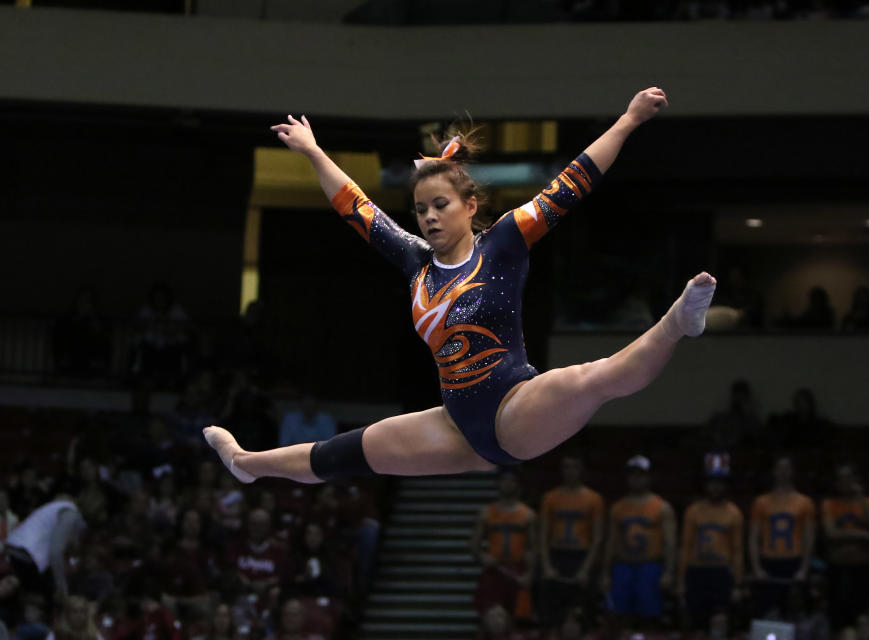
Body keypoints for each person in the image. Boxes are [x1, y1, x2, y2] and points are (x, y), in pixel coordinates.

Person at [204, 86, 718, 486]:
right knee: (344, 453)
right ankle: (247, 463)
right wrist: (314, 152)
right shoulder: (415, 262)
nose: (428, 217)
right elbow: (356, 207)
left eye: (441, 205)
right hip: (457, 428)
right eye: (421, 209)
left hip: (516, 410)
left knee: (589, 379)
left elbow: (573, 182)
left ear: (470, 206)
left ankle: (677, 322)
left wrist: (627, 121)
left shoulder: (506, 241)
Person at [601, 454, 677, 629]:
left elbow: (670, 543)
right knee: (618, 615)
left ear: (649, 477)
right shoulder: (618, 507)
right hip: (622, 566)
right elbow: (611, 541)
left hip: (649, 567)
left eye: (641, 474)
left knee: (649, 615)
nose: (636, 479)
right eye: (632, 474)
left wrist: (669, 572)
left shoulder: (662, 507)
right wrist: (605, 572)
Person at [678, 454, 743, 631]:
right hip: (696, 572)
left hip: (721, 573)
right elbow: (686, 546)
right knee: (696, 622)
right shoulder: (693, 511)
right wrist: (682, 579)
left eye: (719, 482)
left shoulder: (734, 513)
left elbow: (737, 550)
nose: (715, 486)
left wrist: (737, 584)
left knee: (720, 621)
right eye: (712, 481)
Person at [538, 455, 604, 630]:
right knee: (551, 610)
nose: (570, 471)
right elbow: (543, 535)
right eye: (566, 467)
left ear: (581, 470)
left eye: (574, 467)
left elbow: (597, 538)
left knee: (584, 609)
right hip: (557, 555)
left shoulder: (593, 498)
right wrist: (546, 566)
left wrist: (585, 569)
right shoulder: (550, 498)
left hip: (580, 556)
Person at [749, 456, 816, 617]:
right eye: (780, 468)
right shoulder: (761, 502)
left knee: (793, 614)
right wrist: (757, 568)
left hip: (794, 562)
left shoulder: (805, 502)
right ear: (774, 472)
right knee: (767, 613)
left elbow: (809, 538)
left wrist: (804, 569)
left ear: (792, 472)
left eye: (787, 468)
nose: (783, 472)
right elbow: (753, 538)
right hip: (769, 562)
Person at [821, 463, 869, 629]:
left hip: (861, 569)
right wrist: (861, 535)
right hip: (836, 568)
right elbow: (831, 534)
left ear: (856, 480)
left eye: (848, 477)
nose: (844, 482)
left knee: (861, 618)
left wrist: (860, 497)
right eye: (840, 478)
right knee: (837, 620)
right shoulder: (829, 504)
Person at [470, 468, 536, 620]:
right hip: (495, 571)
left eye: (511, 480)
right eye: (504, 480)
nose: (507, 484)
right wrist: (482, 556)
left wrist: (529, 574)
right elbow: (474, 545)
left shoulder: (527, 514)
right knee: (489, 618)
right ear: (497, 483)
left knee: (516, 618)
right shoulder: (487, 513)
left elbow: (533, 548)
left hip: (517, 570)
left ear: (518, 484)